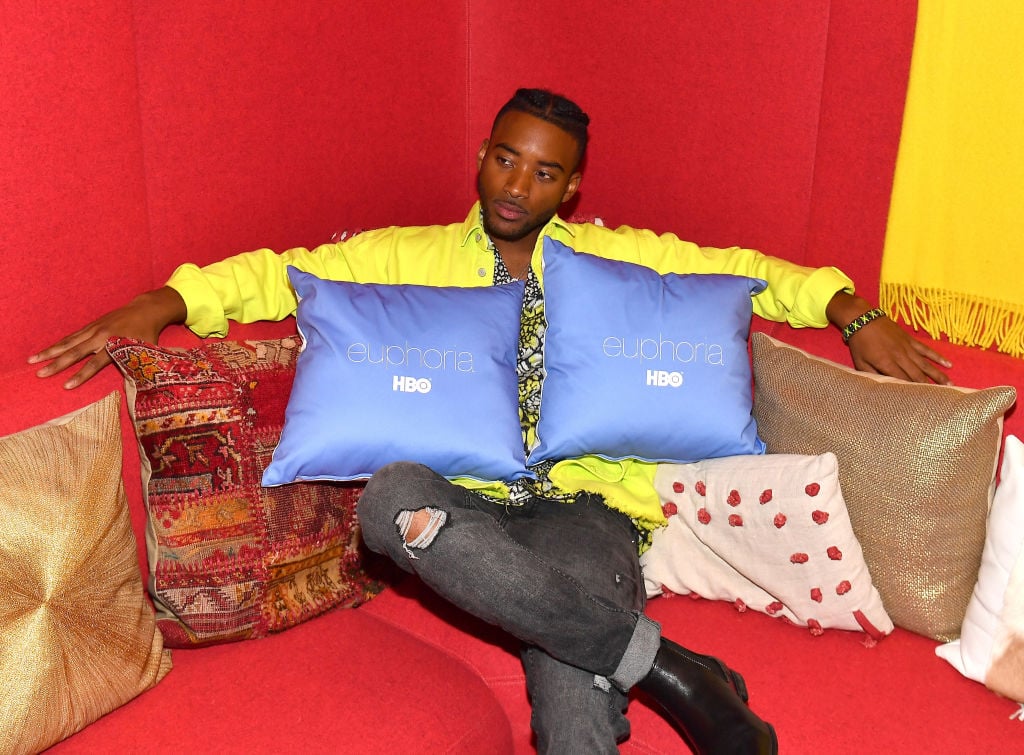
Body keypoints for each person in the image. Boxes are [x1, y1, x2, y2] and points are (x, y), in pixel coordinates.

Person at [32, 89, 950, 754]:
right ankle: (676, 671)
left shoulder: (618, 258)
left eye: (545, 171)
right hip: (459, 502)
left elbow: (751, 270)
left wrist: (853, 312)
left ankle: (635, 662)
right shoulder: (410, 255)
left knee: (568, 682)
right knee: (388, 501)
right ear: (482, 151)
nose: (517, 185)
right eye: (506, 158)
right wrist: (166, 299)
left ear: (572, 186)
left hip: (585, 508)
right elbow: (277, 273)